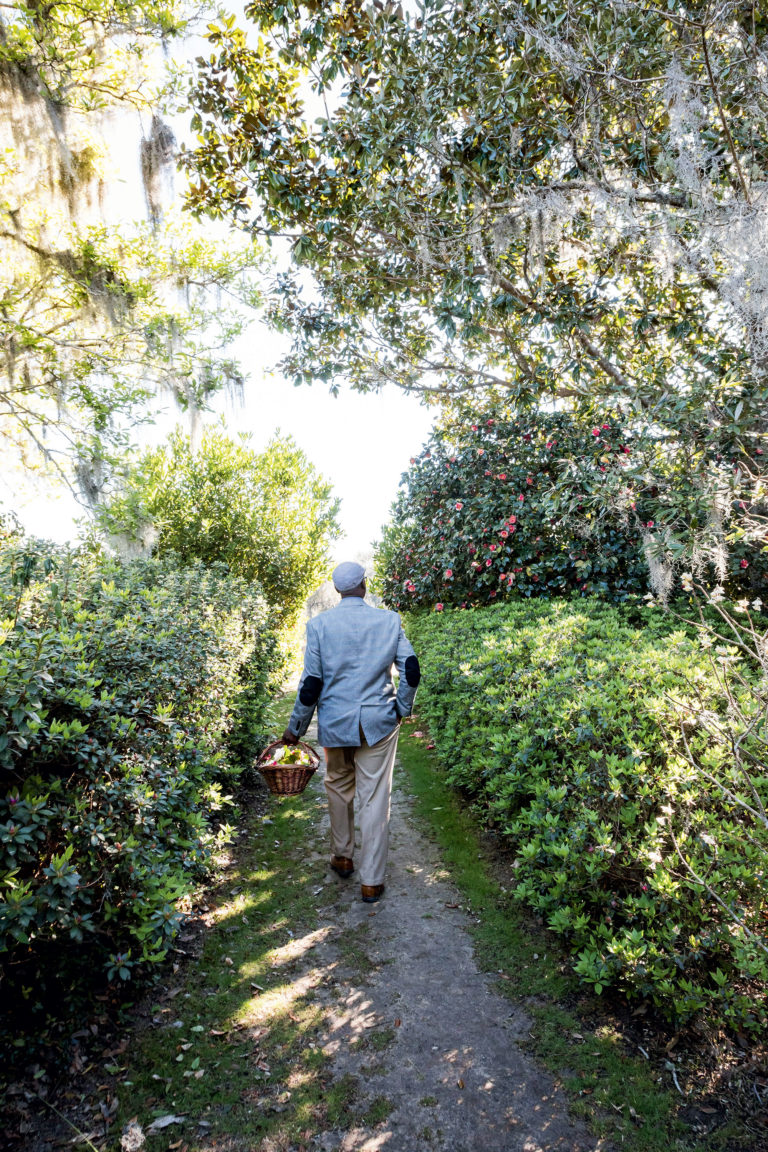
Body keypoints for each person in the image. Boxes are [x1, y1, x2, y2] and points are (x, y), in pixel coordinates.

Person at [282, 561, 420, 903]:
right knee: (374, 798)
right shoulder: (389, 620)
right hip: (379, 723)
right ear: (364, 584)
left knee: (338, 786)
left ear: (337, 589)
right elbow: (412, 670)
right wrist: (402, 708)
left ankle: (342, 856)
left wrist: (295, 728)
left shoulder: (318, 626)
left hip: (335, 723)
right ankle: (371, 881)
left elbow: (311, 683)